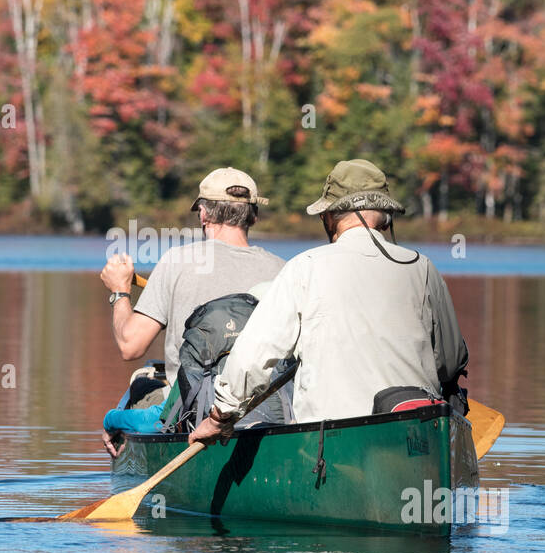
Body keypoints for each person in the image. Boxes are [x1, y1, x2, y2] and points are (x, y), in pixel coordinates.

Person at [189, 159, 468, 445]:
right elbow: (450, 362)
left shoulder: (304, 267)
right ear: (386, 216)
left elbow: (252, 357)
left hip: (330, 442)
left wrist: (219, 416)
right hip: (415, 436)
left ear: (331, 215)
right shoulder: (423, 268)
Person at [98, 168, 285, 452]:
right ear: (254, 216)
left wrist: (120, 291)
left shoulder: (177, 262)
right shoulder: (284, 271)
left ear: (203, 214)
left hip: (193, 414)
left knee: (141, 385)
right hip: (268, 413)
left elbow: (130, 347)